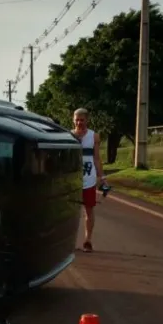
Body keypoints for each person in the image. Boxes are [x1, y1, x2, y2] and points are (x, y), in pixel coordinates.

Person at [71, 107, 103, 252]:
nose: (79, 123)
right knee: (70, 211)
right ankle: (69, 241)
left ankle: (88, 240)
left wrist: (101, 177)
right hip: (72, 179)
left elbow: (97, 158)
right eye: (77, 120)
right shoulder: (68, 136)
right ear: (73, 120)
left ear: (87, 120)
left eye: (82, 120)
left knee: (89, 210)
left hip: (88, 179)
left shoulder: (94, 136)